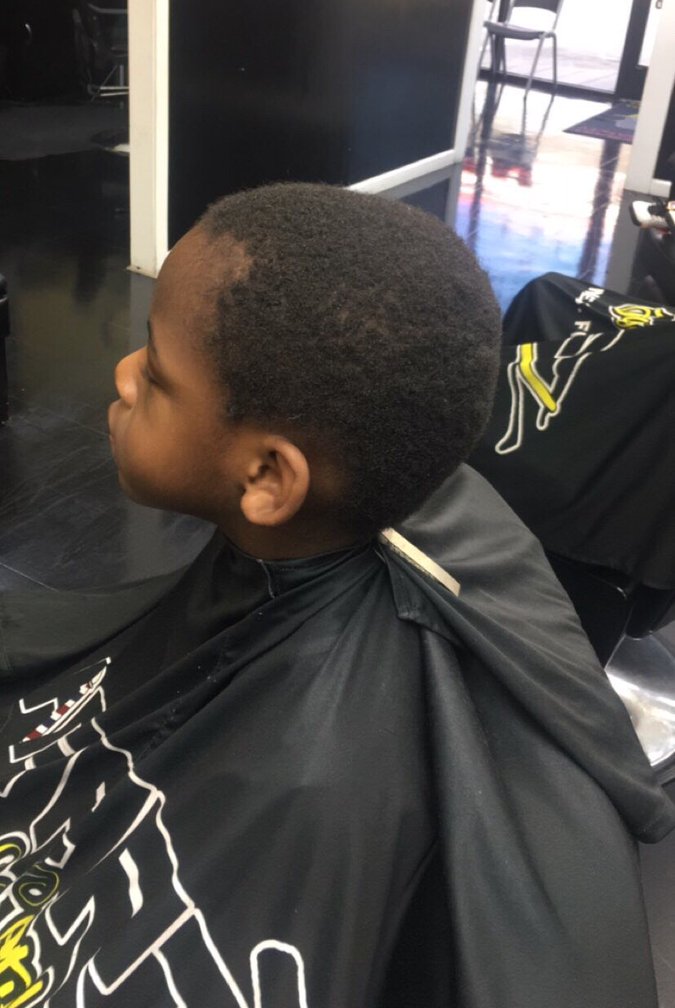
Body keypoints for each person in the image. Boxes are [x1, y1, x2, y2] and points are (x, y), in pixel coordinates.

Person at [0, 183, 672, 1008]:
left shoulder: (318, 794)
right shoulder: (381, 497)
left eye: (157, 372)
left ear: (266, 478)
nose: (124, 374)